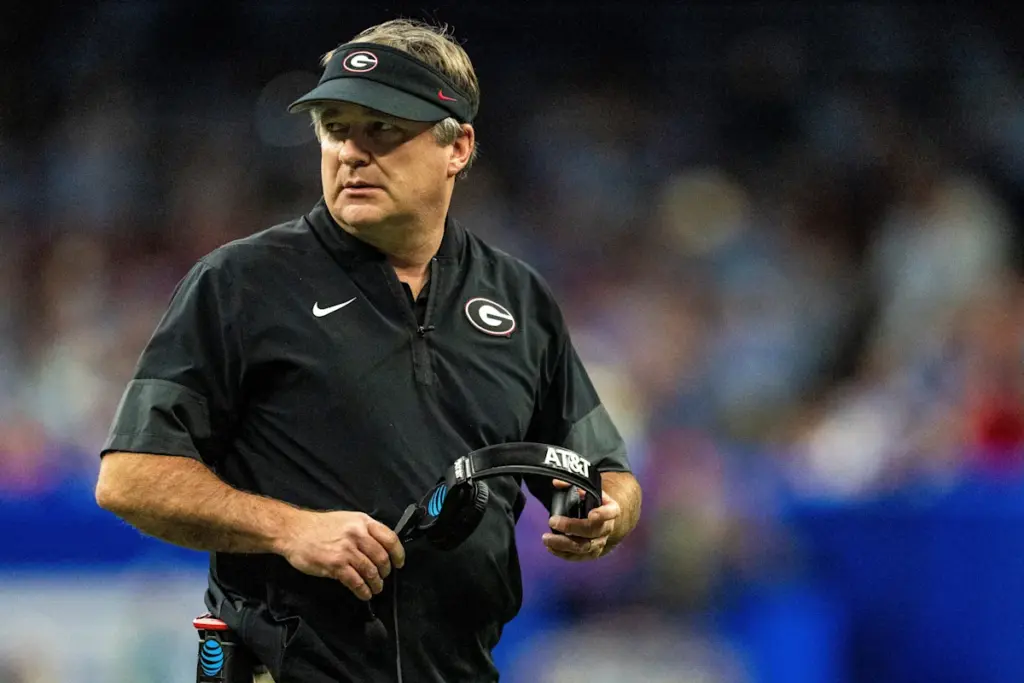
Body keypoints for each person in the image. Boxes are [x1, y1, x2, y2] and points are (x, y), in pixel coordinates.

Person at [94, 18, 642, 683]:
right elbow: (130, 476)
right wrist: (290, 529)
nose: (351, 152)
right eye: (335, 128)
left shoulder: (518, 299)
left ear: (457, 146)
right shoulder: (241, 284)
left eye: (382, 129)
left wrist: (605, 514)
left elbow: (605, 470)